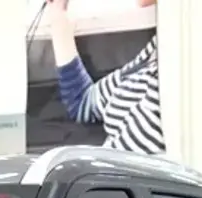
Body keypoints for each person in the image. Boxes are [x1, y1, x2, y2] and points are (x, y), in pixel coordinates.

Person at [44, 0, 164, 155]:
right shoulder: (159, 49)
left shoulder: (165, 94)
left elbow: (115, 168)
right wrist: (59, 19)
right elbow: (83, 102)